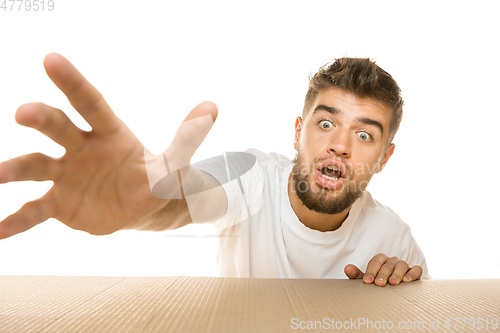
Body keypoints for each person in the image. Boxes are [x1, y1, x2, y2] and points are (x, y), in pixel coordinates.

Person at [0, 54, 428, 286]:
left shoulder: (394, 240)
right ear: (298, 132)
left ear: (385, 158)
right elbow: (187, 199)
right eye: (326, 123)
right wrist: (145, 202)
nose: (340, 144)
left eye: (365, 135)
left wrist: (401, 291)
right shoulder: (251, 176)